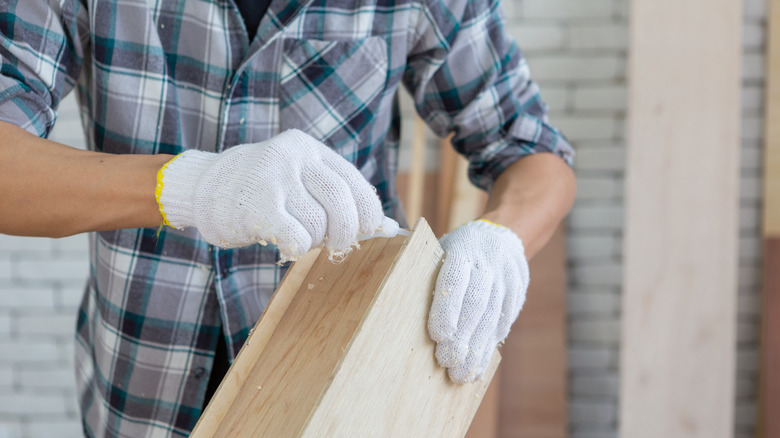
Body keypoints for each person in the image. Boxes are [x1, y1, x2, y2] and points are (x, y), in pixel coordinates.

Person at [0, 0, 576, 436]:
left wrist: (501, 238)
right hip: (142, 393)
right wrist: (190, 186)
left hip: (350, 394)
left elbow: (533, 152)